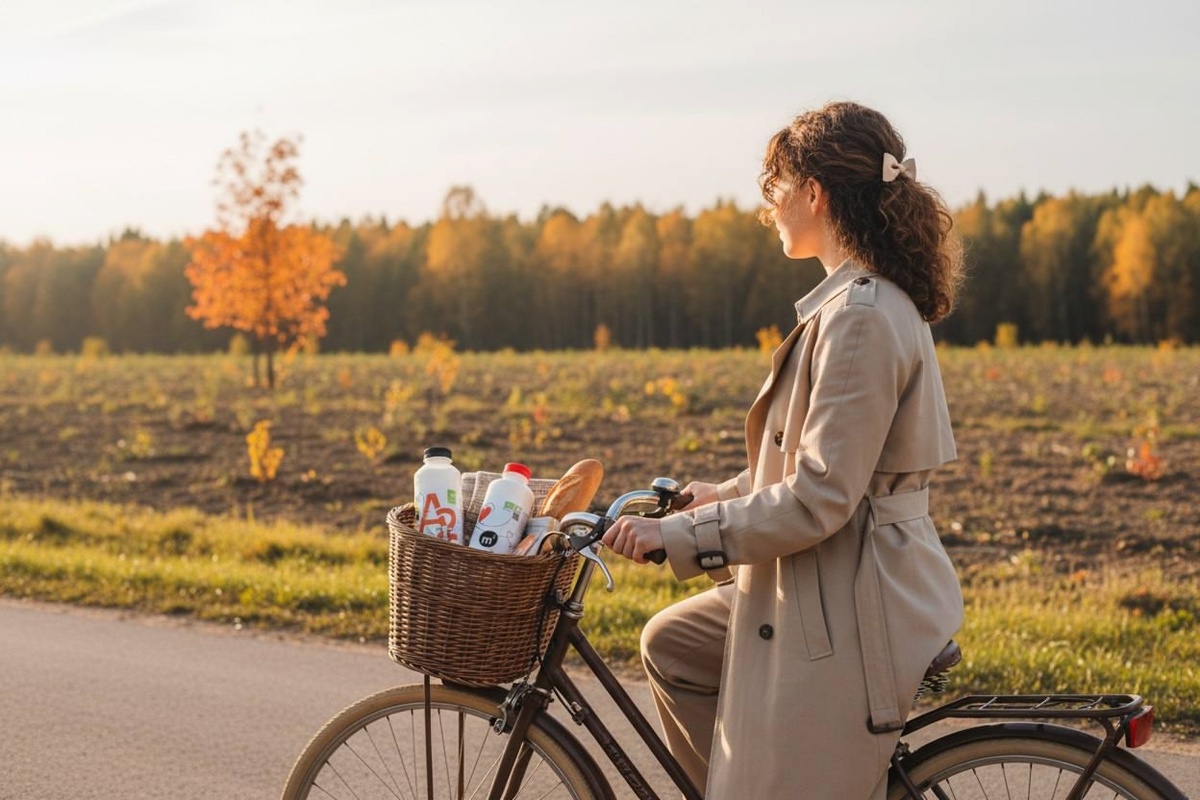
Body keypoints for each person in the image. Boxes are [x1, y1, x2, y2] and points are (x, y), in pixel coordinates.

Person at [601, 101, 966, 799]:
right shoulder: (852, 305)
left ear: (813, 193)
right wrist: (726, 496)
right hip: (826, 574)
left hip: (850, 597)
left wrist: (677, 534)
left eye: (774, 187)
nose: (767, 205)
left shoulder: (859, 315)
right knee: (672, 645)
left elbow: (820, 496)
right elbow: (818, 460)